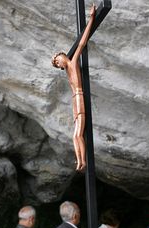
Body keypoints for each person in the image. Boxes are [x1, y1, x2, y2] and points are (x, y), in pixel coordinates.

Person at [51, 4, 96, 171]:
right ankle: (79, 161)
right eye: (56, 63)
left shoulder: (73, 62)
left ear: (64, 56)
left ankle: (83, 162)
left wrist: (91, 18)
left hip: (79, 97)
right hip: (74, 101)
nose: (58, 62)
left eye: (57, 59)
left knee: (78, 134)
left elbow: (82, 42)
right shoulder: (67, 71)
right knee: (74, 135)